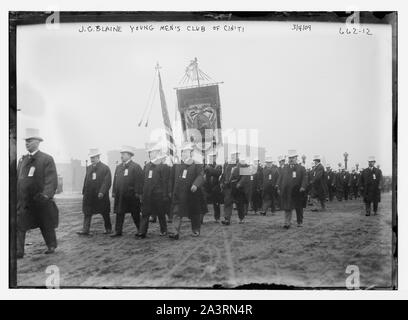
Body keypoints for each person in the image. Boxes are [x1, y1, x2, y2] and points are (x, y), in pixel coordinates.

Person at [17, 128, 59, 258]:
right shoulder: (22, 161)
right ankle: (19, 251)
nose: (26, 143)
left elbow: (51, 180)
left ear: (37, 142)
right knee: (19, 224)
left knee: (45, 223)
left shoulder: (46, 159)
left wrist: (46, 195)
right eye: (26, 141)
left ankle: (51, 245)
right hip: (24, 200)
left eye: (29, 141)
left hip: (40, 200)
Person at [168, 143, 205, 239]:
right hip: (178, 194)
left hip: (191, 194)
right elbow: (171, 178)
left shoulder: (197, 164)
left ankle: (196, 230)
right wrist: (170, 190)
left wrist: (195, 184)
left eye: (186, 151)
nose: (183, 153)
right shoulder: (177, 165)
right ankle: (175, 232)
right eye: (182, 151)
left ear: (191, 153)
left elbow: (201, 176)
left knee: (194, 213)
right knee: (176, 212)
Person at [77, 148, 112, 236]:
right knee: (87, 212)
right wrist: (84, 191)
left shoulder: (105, 168)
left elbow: (107, 182)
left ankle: (108, 229)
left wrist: (102, 192)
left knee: (104, 212)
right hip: (89, 196)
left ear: (98, 157)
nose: (91, 159)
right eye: (91, 158)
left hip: (100, 195)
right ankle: (85, 230)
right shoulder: (88, 168)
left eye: (93, 157)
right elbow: (86, 180)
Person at [137, 145, 170, 238]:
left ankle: (163, 230)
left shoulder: (162, 166)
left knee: (161, 213)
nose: (150, 154)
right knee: (145, 213)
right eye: (150, 152)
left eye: (152, 152)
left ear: (157, 153)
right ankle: (142, 232)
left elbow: (165, 182)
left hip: (158, 195)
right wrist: (142, 193)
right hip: (147, 195)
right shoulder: (146, 166)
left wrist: (165, 195)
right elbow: (143, 181)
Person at [111, 146, 144, 237]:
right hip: (120, 195)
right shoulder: (118, 167)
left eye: (123, 154)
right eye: (121, 154)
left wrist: (138, 193)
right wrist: (114, 192)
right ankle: (118, 231)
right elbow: (115, 180)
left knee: (135, 213)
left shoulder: (136, 167)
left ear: (129, 155)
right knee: (119, 213)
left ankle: (141, 230)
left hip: (132, 196)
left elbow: (139, 181)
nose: (121, 156)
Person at [276, 150, 308, 228]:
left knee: (299, 207)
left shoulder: (301, 168)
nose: (291, 159)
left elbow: (305, 178)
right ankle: (287, 223)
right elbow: (280, 177)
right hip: (287, 191)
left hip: (297, 191)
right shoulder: (285, 168)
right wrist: (278, 186)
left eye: (293, 158)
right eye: (290, 158)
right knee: (287, 207)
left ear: (296, 158)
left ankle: (299, 222)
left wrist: (303, 187)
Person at [230, 157, 252, 223]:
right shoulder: (236, 168)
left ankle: (242, 217)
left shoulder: (244, 168)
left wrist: (239, 183)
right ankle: (242, 217)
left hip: (242, 189)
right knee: (240, 203)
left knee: (241, 203)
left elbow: (244, 178)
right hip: (239, 189)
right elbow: (232, 176)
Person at [221, 151, 239, 225]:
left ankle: (241, 217)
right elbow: (223, 174)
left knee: (240, 204)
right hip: (228, 187)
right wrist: (222, 182)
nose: (234, 156)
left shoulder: (241, 164)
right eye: (233, 155)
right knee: (227, 202)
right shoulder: (226, 164)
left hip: (236, 187)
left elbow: (244, 177)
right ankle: (227, 218)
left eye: (236, 155)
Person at [203, 152, 223, 222]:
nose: (212, 158)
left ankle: (217, 217)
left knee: (216, 203)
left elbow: (218, 173)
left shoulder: (218, 165)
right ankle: (201, 218)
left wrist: (209, 170)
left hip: (215, 187)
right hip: (207, 187)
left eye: (213, 157)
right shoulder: (206, 166)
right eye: (210, 157)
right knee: (203, 202)